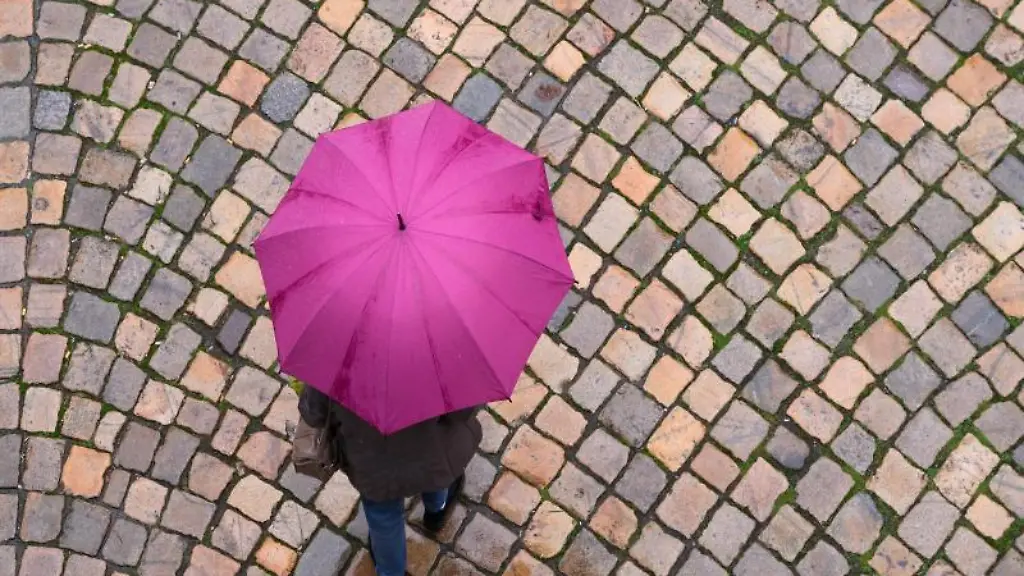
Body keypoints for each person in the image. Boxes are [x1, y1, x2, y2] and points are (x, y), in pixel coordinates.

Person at [298, 385, 482, 576]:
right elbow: (463, 411)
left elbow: (314, 413)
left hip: (373, 467)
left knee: (383, 520)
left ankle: (390, 572)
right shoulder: (442, 360)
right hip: (431, 454)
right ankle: (436, 513)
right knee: (438, 480)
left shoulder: (337, 362)